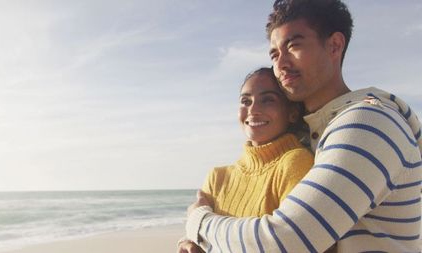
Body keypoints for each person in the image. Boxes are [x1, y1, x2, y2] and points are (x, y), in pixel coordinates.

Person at [182, 0, 422, 252]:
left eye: (293, 45)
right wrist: (193, 242)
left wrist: (199, 222)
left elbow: (286, 240)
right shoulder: (313, 133)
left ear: (334, 45)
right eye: (274, 54)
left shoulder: (369, 122)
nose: (280, 64)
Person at [177, 67, 314, 253]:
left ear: (292, 113)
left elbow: (290, 243)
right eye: (245, 101)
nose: (253, 110)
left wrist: (198, 220)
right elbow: (202, 243)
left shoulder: (295, 162)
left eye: (268, 100)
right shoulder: (217, 177)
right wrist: (188, 242)